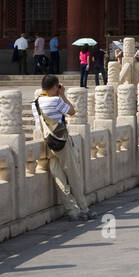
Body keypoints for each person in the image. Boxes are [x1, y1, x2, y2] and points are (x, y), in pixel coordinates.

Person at [34, 75, 94, 221]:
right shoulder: (56, 100)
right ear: (55, 87)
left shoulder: (36, 103)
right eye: (57, 87)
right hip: (62, 142)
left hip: (47, 143)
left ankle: (72, 211)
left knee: (59, 178)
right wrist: (63, 95)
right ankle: (84, 208)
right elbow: (72, 111)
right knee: (73, 175)